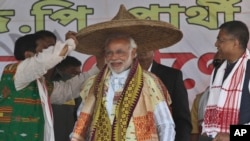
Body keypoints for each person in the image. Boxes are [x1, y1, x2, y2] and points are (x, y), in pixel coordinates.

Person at [70, 4, 184, 141]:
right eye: (109, 52)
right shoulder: (92, 84)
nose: (114, 57)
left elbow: (165, 125)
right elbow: (81, 123)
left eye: (120, 52)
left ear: (133, 53)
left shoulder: (149, 82)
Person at [0, 31, 77, 141]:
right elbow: (44, 61)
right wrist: (70, 43)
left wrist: (97, 69)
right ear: (28, 55)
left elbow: (66, 90)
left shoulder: (38, 83)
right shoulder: (16, 72)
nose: (50, 52)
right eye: (45, 49)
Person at [200, 20, 250, 141]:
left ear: (236, 43)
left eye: (221, 40)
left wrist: (232, 135)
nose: (216, 44)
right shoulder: (218, 71)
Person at [137, 50, 192, 141]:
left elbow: (182, 120)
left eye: (148, 44)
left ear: (155, 47)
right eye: (140, 45)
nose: (144, 48)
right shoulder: (122, 77)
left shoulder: (172, 76)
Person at [190, 51, 224, 141]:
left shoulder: (245, 96)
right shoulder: (200, 99)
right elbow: (194, 134)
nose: (221, 67)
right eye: (217, 63)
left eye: (226, 63)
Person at [49, 56, 83, 141]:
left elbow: (80, 116)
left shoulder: (77, 90)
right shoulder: (44, 83)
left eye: (79, 74)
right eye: (74, 73)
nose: (77, 77)